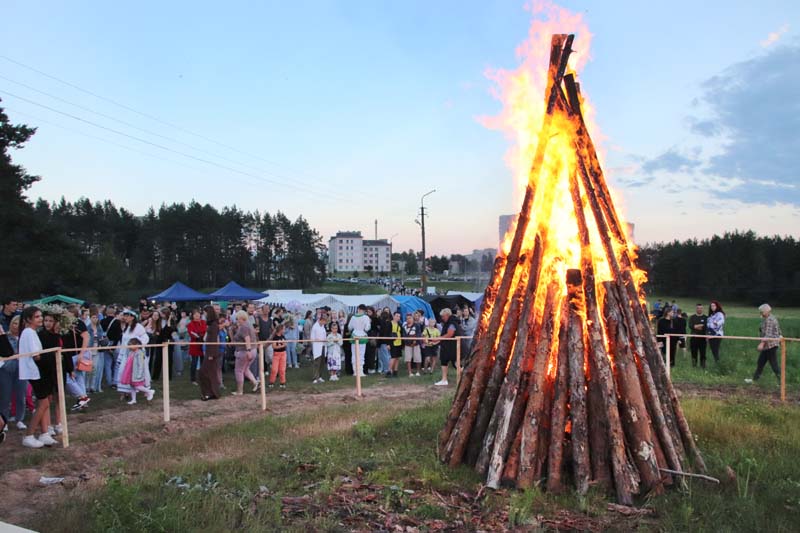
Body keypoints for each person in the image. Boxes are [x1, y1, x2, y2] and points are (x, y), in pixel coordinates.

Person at [18, 306, 58, 448]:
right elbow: (37, 356)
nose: (40, 318)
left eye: (41, 316)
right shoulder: (29, 333)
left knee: (46, 401)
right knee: (44, 403)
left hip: (37, 372)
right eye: (37, 316)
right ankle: (29, 435)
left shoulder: (32, 332)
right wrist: (52, 355)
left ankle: (44, 433)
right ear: (28, 319)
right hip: (35, 372)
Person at [1, 317, 28, 430]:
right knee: (4, 396)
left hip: (21, 370)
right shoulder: (4, 337)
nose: (16, 326)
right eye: (14, 323)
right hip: (6, 370)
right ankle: (4, 421)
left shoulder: (24, 338)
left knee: (21, 395)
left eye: (18, 324)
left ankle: (19, 419)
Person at [115, 310, 150, 399]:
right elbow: (124, 342)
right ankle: (125, 391)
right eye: (125, 316)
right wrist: (121, 354)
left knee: (139, 372)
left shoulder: (139, 327)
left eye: (127, 316)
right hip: (126, 354)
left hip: (136, 354)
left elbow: (145, 338)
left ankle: (145, 390)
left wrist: (136, 345)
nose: (125, 318)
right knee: (124, 371)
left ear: (132, 317)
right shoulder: (126, 327)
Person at [746, 304, 782, 383]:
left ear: (766, 311)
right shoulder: (768, 318)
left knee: (773, 364)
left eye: (761, 312)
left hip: (771, 345)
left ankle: (782, 382)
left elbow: (768, 334)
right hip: (768, 345)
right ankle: (754, 380)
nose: (760, 314)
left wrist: (761, 344)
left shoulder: (770, 320)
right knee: (760, 362)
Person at [231, 310, 259, 395]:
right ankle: (255, 383)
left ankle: (240, 390)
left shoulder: (244, 327)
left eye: (237, 318)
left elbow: (247, 339)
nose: (236, 320)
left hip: (244, 351)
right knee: (245, 369)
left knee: (238, 370)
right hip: (253, 350)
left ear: (241, 318)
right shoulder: (249, 325)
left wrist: (248, 351)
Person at [198, 305, 221, 401]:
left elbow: (214, 340)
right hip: (209, 351)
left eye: (205, 313)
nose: (204, 315)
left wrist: (211, 354)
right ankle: (211, 393)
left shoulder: (214, 325)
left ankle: (210, 393)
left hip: (211, 353)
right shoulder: (212, 324)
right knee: (208, 373)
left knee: (205, 373)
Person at [150, 308, 175, 381]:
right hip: (159, 342)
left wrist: (169, 321)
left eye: (162, 313)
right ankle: (155, 377)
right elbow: (157, 330)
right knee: (158, 359)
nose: (161, 315)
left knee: (169, 360)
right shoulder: (159, 321)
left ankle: (168, 376)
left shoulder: (171, 321)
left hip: (168, 342)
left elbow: (171, 330)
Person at [436, 308, 459, 386]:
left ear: (447, 315)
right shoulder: (448, 323)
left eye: (443, 316)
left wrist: (439, 338)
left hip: (451, 347)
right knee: (444, 361)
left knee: (456, 363)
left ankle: (466, 377)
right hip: (447, 346)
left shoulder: (452, 323)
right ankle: (444, 379)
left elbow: (450, 334)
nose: (442, 318)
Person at [86, 308, 106, 393]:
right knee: (88, 369)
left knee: (95, 368)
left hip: (97, 349)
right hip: (89, 349)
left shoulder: (99, 327)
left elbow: (101, 337)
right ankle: (86, 386)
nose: (95, 319)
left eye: (96, 317)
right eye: (93, 317)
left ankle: (93, 386)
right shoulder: (88, 327)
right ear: (90, 318)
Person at [348, 305, 370, 377]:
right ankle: (360, 371)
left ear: (358, 309)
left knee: (354, 354)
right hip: (362, 336)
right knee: (361, 354)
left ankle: (355, 371)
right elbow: (367, 328)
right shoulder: (366, 317)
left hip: (354, 335)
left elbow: (349, 327)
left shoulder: (353, 317)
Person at [186, 309, 207, 385]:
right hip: (195, 345)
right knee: (194, 363)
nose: (197, 316)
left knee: (203, 362)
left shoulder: (204, 322)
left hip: (203, 344)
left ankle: (202, 378)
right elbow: (192, 333)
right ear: (193, 316)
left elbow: (205, 331)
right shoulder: (190, 324)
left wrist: (201, 334)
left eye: (198, 314)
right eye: (195, 315)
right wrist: (199, 334)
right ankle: (193, 379)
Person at [402, 313, 423, 377]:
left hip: (416, 344)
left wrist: (414, 341)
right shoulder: (404, 326)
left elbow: (418, 334)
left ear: (412, 318)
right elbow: (404, 336)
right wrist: (409, 343)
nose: (409, 319)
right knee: (408, 358)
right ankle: (410, 372)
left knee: (417, 358)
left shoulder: (417, 325)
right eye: (407, 318)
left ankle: (418, 372)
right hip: (408, 345)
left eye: (410, 318)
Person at [688, 304, 708, 369]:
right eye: (698, 308)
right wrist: (699, 326)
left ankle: (703, 366)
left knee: (703, 353)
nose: (699, 309)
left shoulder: (705, 317)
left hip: (703, 338)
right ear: (696, 309)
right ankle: (694, 366)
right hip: (694, 338)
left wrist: (696, 326)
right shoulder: (692, 317)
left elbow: (706, 326)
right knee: (694, 353)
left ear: (702, 309)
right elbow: (691, 326)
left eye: (701, 308)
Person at [268, 324, 287, 390]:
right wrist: (282, 346)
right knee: (274, 369)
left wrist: (283, 345)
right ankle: (271, 382)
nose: (284, 330)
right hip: (276, 354)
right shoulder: (275, 337)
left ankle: (282, 382)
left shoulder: (283, 336)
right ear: (280, 330)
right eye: (283, 329)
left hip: (283, 354)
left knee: (282, 369)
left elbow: (285, 344)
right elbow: (274, 346)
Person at [311, 314, 328, 384]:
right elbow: (312, 338)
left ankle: (320, 376)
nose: (325, 323)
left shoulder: (323, 327)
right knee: (317, 362)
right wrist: (317, 339)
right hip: (317, 346)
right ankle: (315, 377)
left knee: (322, 362)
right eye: (324, 321)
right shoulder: (315, 327)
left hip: (323, 346)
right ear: (321, 320)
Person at [387, 312, 403, 377]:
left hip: (399, 342)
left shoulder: (399, 324)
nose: (398, 317)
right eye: (396, 316)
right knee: (393, 357)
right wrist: (388, 344)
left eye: (399, 316)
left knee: (397, 357)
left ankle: (395, 371)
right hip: (392, 343)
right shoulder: (389, 323)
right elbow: (387, 334)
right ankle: (389, 371)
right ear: (393, 316)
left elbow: (401, 333)